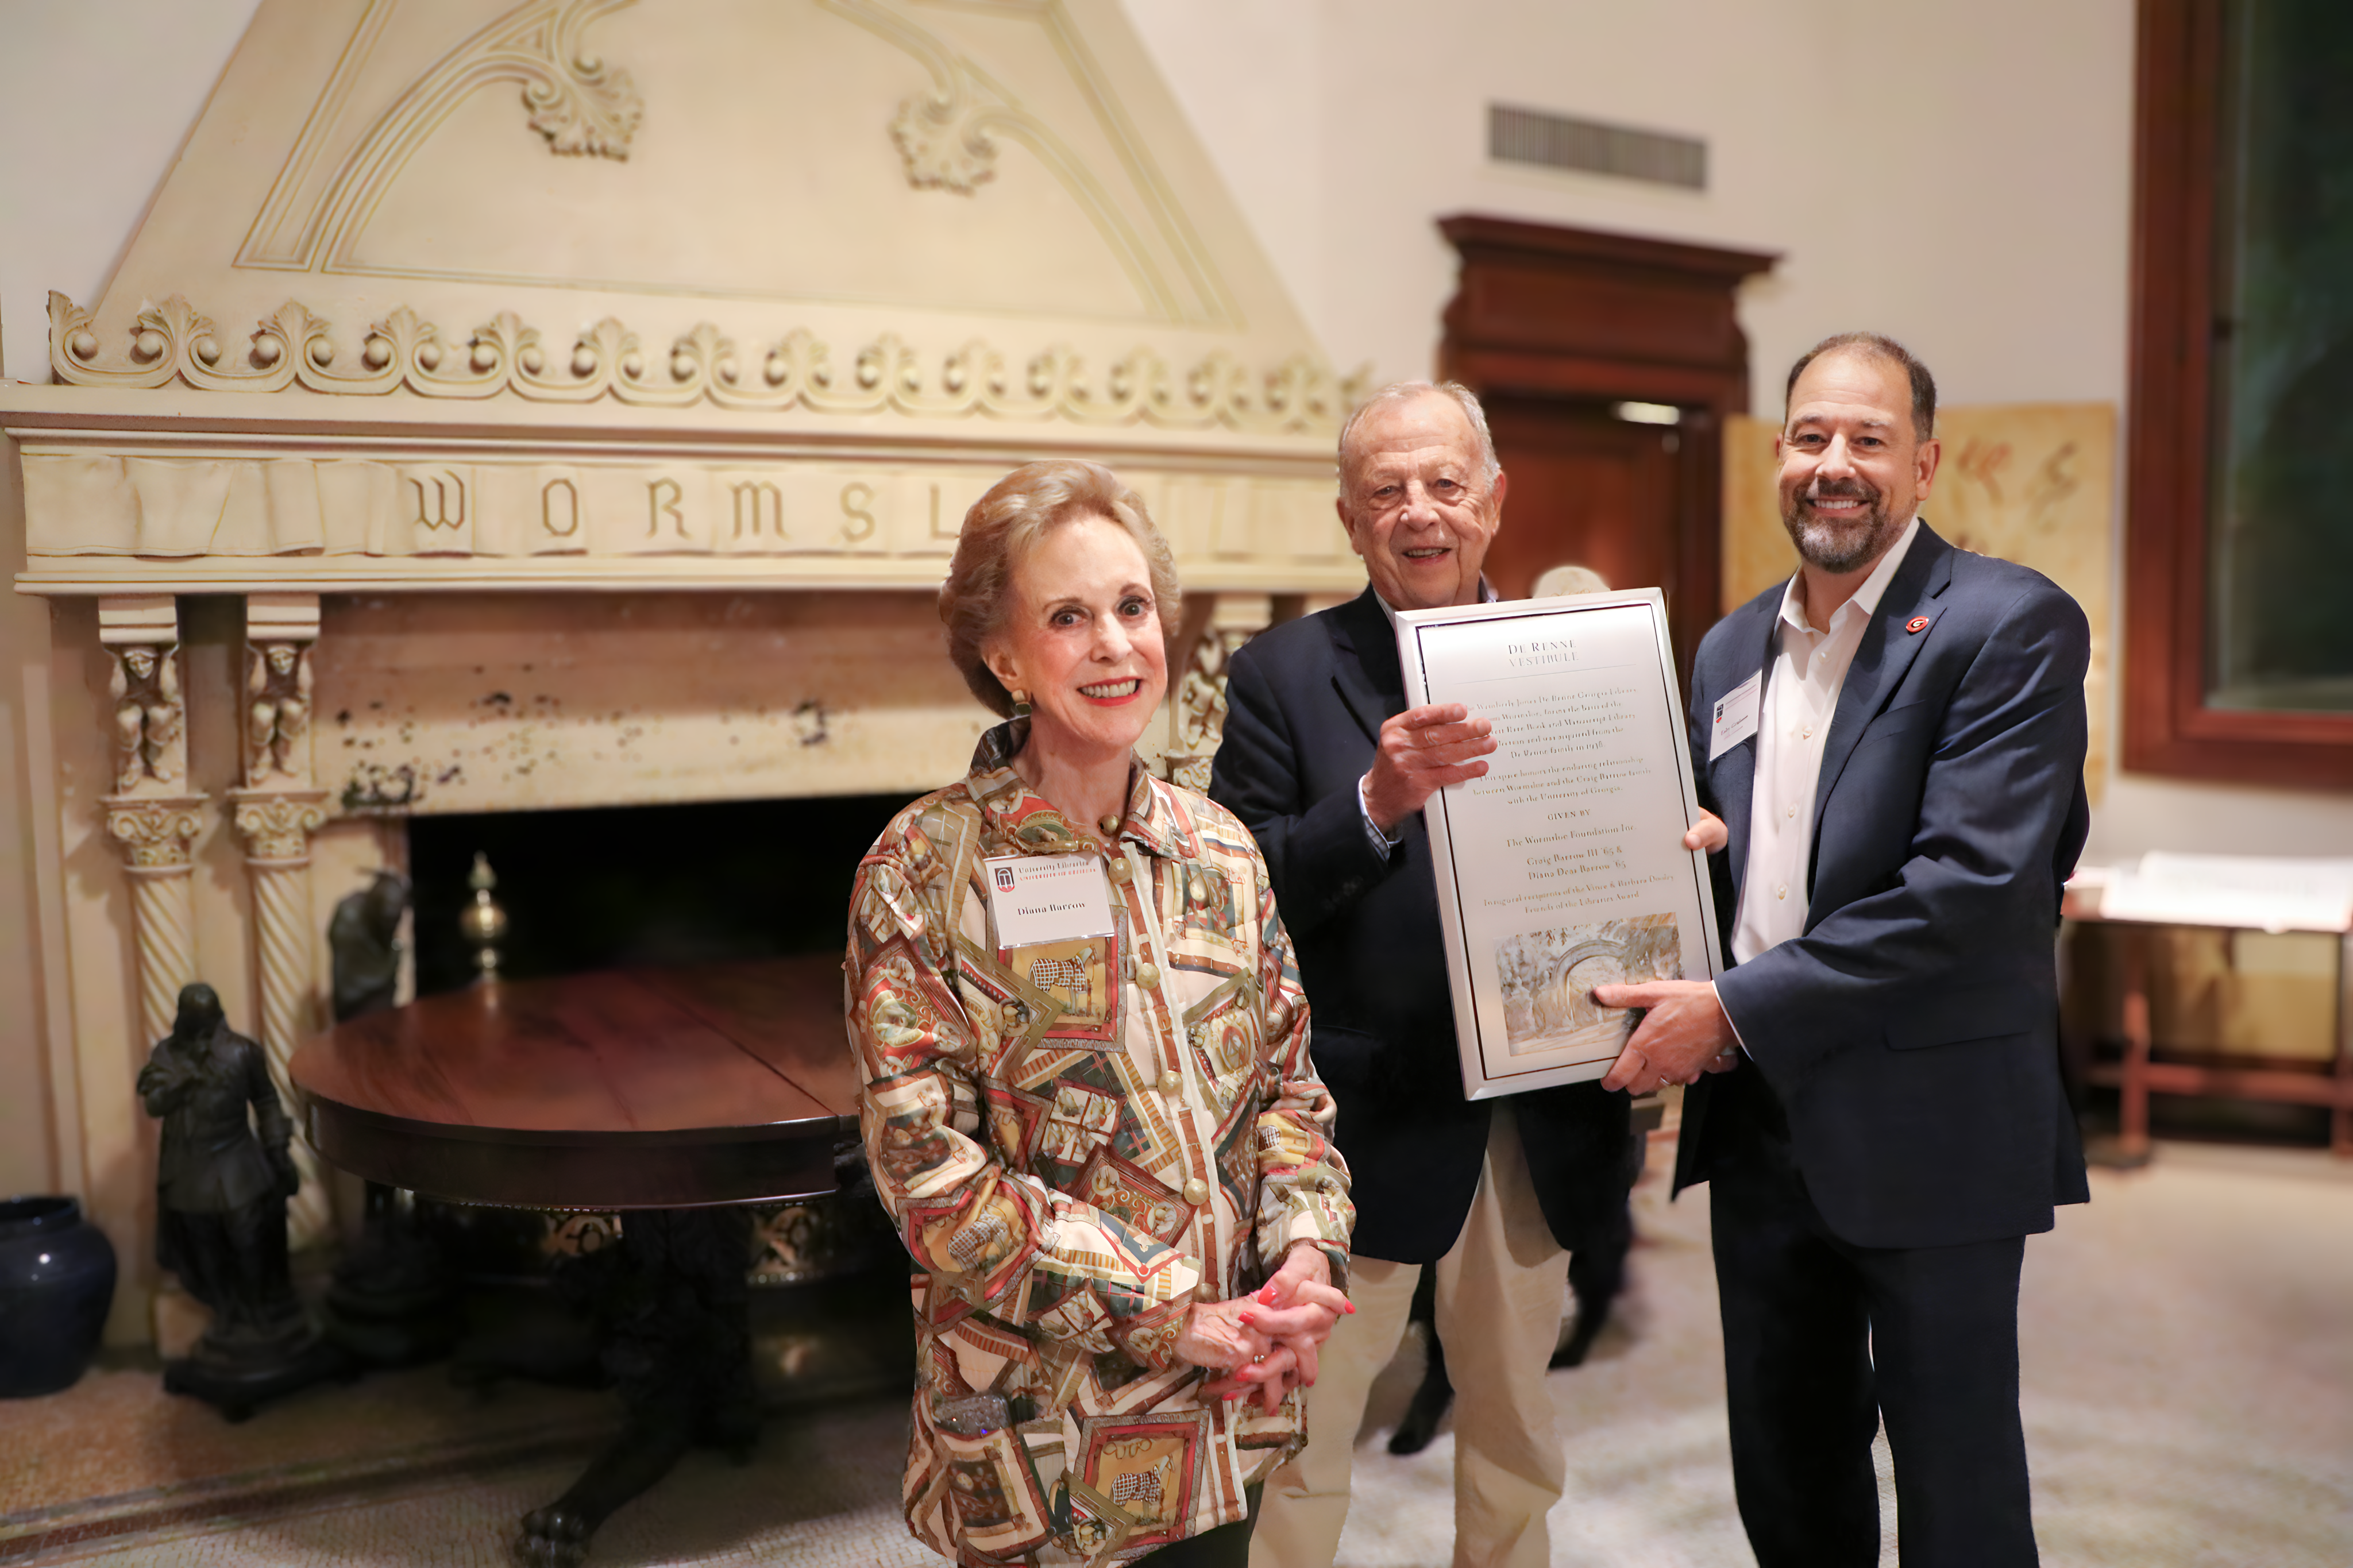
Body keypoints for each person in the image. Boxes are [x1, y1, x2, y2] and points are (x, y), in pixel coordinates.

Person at [1595, 333, 2091, 1567]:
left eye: (1866, 440)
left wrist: (1730, 1005)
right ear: (1776, 457)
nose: (1834, 465)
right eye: (1811, 437)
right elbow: (1757, 867)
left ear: (1921, 467)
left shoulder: (2006, 624)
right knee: (1787, 1461)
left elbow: (1966, 887)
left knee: (1953, 1475)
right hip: (1760, 1118)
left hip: (1932, 1120)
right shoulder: (1724, 651)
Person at [1209, 381, 1699, 1568]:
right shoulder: (1281, 672)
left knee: (1515, 1424)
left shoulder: (1580, 664)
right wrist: (1375, 800)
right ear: (1347, 516)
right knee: (1303, 1430)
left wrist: (1685, 856)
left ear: (1491, 500)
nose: (1417, 511)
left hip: (1535, 1109)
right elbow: (1229, 891)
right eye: (1386, 490)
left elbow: (1644, 848)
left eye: (1442, 483)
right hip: (1355, 1122)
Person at [846, 460, 1355, 1568]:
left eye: (1132, 607)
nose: (1116, 644)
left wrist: (1305, 1255)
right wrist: (1170, 1308)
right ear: (1005, 657)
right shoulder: (924, 867)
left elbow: (1289, 1090)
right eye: (1068, 618)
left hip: (1225, 1410)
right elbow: (929, 1174)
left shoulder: (1221, 848)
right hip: (1048, 1437)